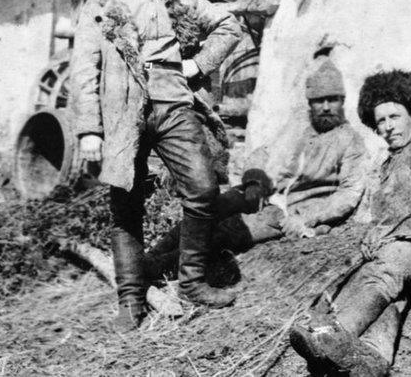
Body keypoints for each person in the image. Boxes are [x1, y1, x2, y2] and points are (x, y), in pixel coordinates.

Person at [71, 0, 277, 331]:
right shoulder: (101, 4)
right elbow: (83, 71)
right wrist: (90, 129)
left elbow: (227, 26)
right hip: (122, 115)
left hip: (173, 106)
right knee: (125, 206)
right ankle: (130, 300)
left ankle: (192, 283)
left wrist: (197, 65)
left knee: (202, 188)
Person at [289, 70, 411, 376]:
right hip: (404, 247)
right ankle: (373, 356)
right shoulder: (387, 162)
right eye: (380, 121)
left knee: (382, 273)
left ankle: (332, 337)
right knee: (391, 295)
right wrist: (374, 230)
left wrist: (384, 227)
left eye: (394, 116)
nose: (387, 127)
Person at [141, 53, 369, 279]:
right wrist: (254, 182)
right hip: (262, 195)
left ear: (342, 101)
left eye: (332, 99)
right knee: (209, 208)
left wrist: (308, 218)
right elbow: (264, 152)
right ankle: (149, 257)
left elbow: (348, 194)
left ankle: (156, 269)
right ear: (310, 102)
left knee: (228, 232)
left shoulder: (350, 141)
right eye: (319, 101)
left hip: (289, 213)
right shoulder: (299, 124)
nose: (326, 107)